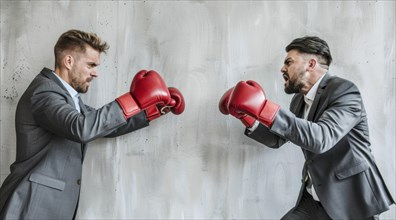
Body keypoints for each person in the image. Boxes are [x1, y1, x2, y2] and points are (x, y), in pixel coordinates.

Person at [0, 29, 185, 219]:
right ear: (69, 61)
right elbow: (82, 128)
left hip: (46, 206)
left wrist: (152, 110)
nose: (95, 73)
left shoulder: (69, 99)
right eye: (90, 65)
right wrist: (134, 99)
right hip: (31, 205)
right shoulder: (44, 93)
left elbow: (102, 125)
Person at [219, 36, 395, 219]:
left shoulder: (344, 91)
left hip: (350, 201)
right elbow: (277, 139)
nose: (282, 68)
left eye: (289, 62)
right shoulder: (299, 101)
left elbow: (321, 139)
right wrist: (246, 116)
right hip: (313, 199)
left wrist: (264, 108)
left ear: (310, 64)